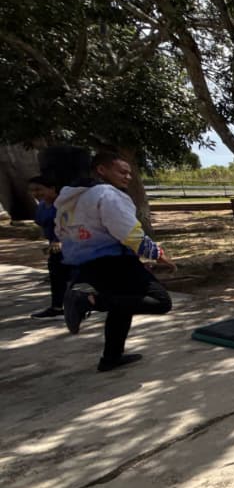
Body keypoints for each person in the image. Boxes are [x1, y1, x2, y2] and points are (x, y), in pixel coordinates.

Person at [56, 149, 175, 372]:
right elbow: (129, 232)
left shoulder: (71, 199)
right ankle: (87, 300)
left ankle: (111, 357)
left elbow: (61, 232)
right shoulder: (108, 195)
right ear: (102, 169)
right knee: (160, 302)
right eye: (122, 172)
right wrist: (156, 254)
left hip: (88, 263)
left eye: (129, 173)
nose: (128, 177)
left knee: (123, 304)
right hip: (115, 261)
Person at [27, 175, 68, 319]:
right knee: (56, 276)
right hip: (55, 248)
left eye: (39, 189)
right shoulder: (42, 206)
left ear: (52, 189)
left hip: (73, 247)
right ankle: (57, 308)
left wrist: (62, 242)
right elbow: (42, 225)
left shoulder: (64, 205)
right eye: (32, 190)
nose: (35, 193)